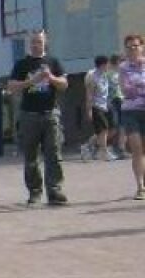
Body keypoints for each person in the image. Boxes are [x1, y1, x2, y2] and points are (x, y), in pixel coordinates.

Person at [7, 29, 68, 206]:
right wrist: (32, 81)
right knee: (31, 156)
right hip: (29, 116)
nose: (36, 45)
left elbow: (64, 85)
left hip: (50, 114)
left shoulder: (53, 62)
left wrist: (50, 77)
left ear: (45, 43)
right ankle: (35, 192)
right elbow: (11, 86)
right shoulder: (21, 64)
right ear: (29, 44)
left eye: (39, 42)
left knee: (53, 154)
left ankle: (55, 191)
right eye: (33, 42)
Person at [118, 34, 145, 201]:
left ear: (142, 47)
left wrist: (137, 85)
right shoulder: (123, 67)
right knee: (136, 148)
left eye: (135, 46)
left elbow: (133, 87)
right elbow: (126, 90)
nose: (132, 49)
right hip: (131, 111)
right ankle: (140, 186)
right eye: (129, 47)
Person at [81, 55, 115, 161]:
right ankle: (104, 152)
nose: (108, 66)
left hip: (106, 105)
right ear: (102, 64)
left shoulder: (105, 75)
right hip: (96, 106)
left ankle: (87, 146)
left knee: (111, 129)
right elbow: (89, 94)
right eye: (107, 64)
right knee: (103, 129)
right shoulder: (92, 76)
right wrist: (89, 109)